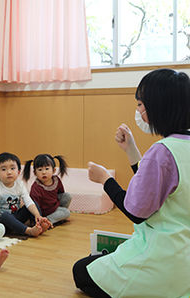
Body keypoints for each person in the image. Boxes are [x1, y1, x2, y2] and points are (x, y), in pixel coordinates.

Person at [72, 68, 190, 297]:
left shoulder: (163, 152)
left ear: (157, 108)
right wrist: (132, 150)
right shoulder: (174, 149)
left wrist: (105, 180)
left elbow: (136, 211)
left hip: (165, 260)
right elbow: (158, 185)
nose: (138, 111)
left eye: (140, 105)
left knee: (81, 271)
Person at [0, 152, 51, 236]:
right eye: (4, 169)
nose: (9, 172)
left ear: (18, 171)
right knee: (5, 216)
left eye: (12, 168)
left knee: (33, 203)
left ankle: (38, 224)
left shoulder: (20, 185)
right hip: (2, 223)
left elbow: (28, 201)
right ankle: (28, 231)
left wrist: (38, 215)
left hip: (16, 218)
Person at [23, 154, 71, 224]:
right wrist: (37, 218)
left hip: (54, 206)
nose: (44, 172)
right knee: (66, 212)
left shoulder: (56, 180)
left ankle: (57, 217)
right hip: (44, 211)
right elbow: (35, 205)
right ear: (35, 173)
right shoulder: (36, 187)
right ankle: (46, 221)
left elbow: (61, 193)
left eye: (47, 169)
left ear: (54, 170)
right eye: (40, 170)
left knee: (67, 196)